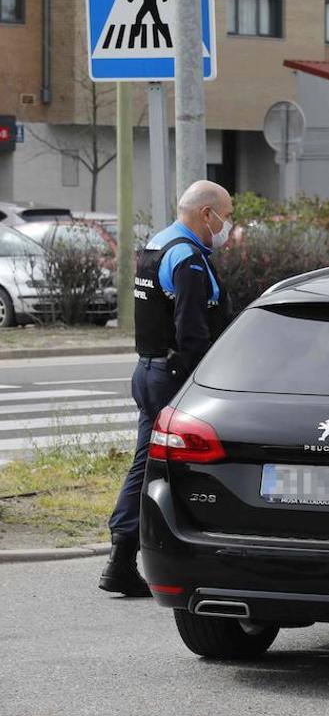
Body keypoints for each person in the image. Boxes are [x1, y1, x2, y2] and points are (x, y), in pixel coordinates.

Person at [98, 180, 234, 596]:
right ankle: (137, 559)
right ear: (206, 214)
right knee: (167, 466)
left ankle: (122, 559)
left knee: (147, 464)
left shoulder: (157, 243)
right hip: (174, 375)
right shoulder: (186, 257)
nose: (227, 226)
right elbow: (190, 329)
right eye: (225, 217)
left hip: (151, 369)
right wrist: (204, 382)